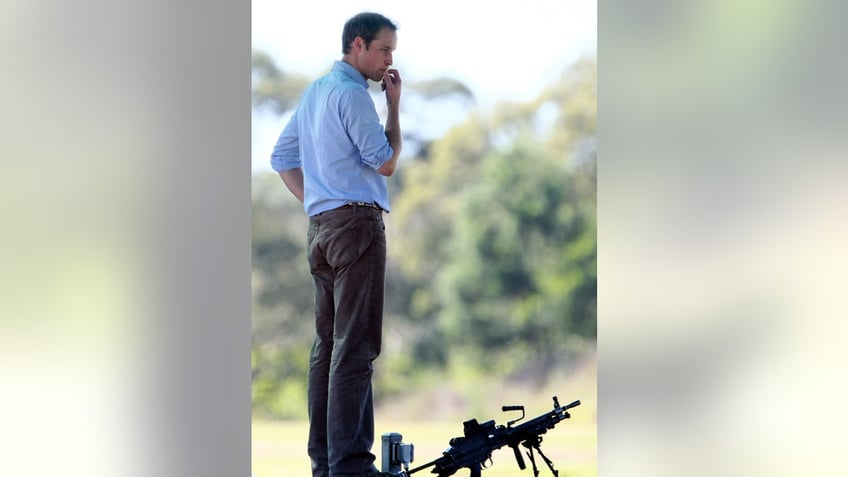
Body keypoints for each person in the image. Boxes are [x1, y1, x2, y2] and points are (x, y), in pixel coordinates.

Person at [270, 11, 402, 477]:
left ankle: (325, 464)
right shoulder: (352, 94)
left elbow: (281, 157)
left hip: (321, 230)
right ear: (358, 45)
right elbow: (384, 162)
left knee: (326, 348)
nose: (389, 59)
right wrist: (394, 106)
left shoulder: (314, 92)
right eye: (384, 49)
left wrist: (319, 202)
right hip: (357, 226)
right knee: (356, 348)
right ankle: (351, 467)